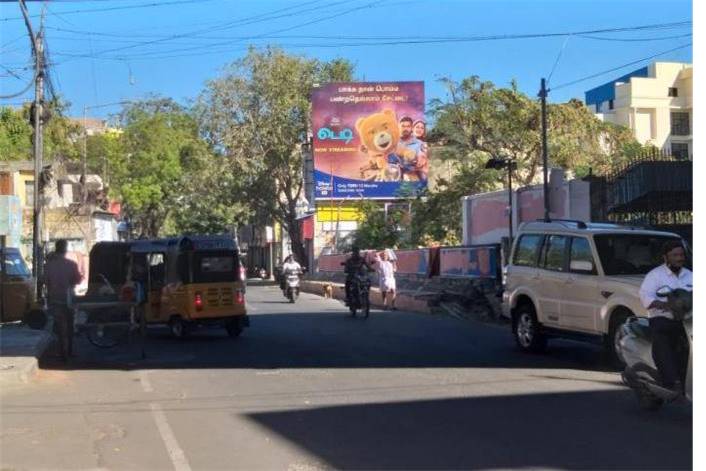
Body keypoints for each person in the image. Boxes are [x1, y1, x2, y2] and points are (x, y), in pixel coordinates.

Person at [639, 240, 692, 394]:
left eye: (681, 255)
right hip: (663, 319)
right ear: (666, 257)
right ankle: (671, 382)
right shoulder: (655, 275)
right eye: (675, 255)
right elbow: (645, 296)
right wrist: (664, 305)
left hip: (688, 321)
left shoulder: (690, 275)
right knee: (663, 337)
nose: (679, 258)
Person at [44, 240, 82, 361]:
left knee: (60, 326)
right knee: (70, 325)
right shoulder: (72, 264)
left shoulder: (49, 265)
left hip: (55, 298)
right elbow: (77, 280)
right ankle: (69, 350)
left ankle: (62, 352)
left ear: (56, 248)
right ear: (65, 249)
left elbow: (45, 282)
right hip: (69, 299)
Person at [397, 116, 428, 182]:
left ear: (411, 128)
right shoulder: (394, 141)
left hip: (411, 173)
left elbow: (421, 158)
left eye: (408, 126)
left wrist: (419, 160)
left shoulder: (420, 143)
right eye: (403, 126)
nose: (405, 128)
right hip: (394, 173)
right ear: (398, 127)